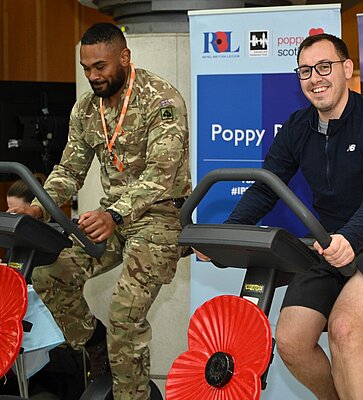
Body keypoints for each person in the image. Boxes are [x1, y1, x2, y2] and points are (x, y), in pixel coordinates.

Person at [197, 33, 363, 400]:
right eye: (305, 71)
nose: (315, 78)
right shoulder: (298, 126)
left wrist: (351, 237)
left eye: (324, 67)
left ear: (346, 69)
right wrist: (225, 236)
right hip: (330, 241)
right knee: (291, 340)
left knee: (345, 329)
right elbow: (266, 187)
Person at [7, 22, 191, 399]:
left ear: (124, 58)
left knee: (126, 314)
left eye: (101, 67)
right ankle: (94, 344)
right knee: (48, 275)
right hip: (112, 219)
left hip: (159, 219)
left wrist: (116, 215)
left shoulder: (161, 100)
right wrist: (39, 209)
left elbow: (161, 174)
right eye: (86, 68)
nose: (93, 76)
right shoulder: (87, 110)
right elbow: (69, 170)